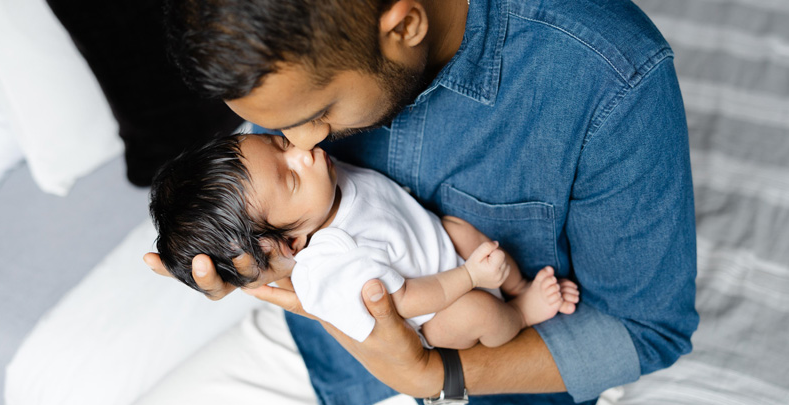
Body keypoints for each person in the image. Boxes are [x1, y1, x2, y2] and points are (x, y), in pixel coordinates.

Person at [142, 0, 698, 405]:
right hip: (326, 359)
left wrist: (431, 374)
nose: (306, 143)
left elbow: (646, 331)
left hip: (510, 398)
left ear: (404, 26)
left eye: (317, 115)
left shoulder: (606, 73)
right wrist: (252, 260)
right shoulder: (293, 50)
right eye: (280, 130)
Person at [151, 133, 580, 350]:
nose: (304, 153)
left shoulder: (316, 190)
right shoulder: (330, 265)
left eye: (280, 143)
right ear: (292, 244)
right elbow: (403, 301)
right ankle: (520, 313)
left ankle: (518, 285)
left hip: (437, 246)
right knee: (479, 311)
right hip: (434, 310)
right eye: (292, 175)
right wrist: (469, 276)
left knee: (459, 229)